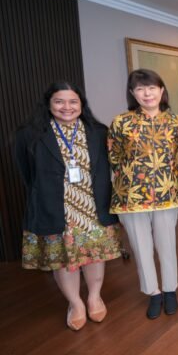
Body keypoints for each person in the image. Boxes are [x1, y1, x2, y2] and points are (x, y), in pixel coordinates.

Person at [14, 81, 121, 331]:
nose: (67, 107)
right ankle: (75, 304)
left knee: (95, 255)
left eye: (73, 101)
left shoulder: (98, 131)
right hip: (54, 207)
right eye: (59, 101)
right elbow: (26, 173)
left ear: (82, 104)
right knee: (63, 259)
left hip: (92, 207)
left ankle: (94, 297)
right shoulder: (30, 134)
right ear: (48, 104)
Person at [108, 69, 178, 319]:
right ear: (133, 93)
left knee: (167, 244)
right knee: (141, 248)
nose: (147, 93)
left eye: (152, 87)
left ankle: (170, 290)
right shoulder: (121, 122)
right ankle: (153, 292)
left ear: (161, 90)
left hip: (167, 194)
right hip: (131, 197)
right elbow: (114, 157)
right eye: (140, 89)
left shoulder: (176, 122)